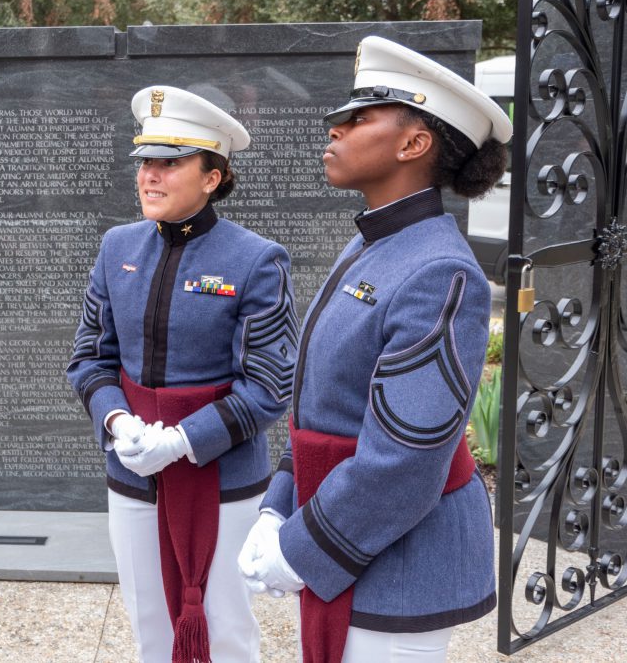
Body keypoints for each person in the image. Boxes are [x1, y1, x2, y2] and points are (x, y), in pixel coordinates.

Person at [237, 36, 511, 662]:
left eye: (359, 117)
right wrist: (279, 509)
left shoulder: (440, 269)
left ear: (413, 144)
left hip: (402, 559)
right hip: (356, 527)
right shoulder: (373, 245)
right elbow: (324, 409)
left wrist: (305, 546)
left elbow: (407, 458)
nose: (335, 127)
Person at [67, 85, 299, 662]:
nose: (149, 175)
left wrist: (182, 440)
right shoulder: (116, 246)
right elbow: (90, 358)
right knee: (149, 621)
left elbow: (270, 385)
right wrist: (118, 421)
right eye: (146, 161)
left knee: (224, 628)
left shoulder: (256, 259)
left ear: (212, 176)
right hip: (133, 472)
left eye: (170, 163)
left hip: (221, 480)